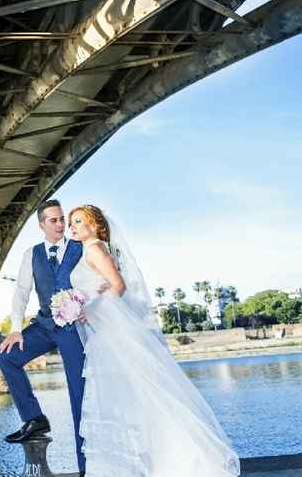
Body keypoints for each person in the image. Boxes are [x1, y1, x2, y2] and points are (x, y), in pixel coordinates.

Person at [67, 204, 240, 477]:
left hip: (112, 335)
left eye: (78, 221)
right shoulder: (95, 248)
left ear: (94, 224)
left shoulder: (94, 249)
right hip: (105, 334)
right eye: (71, 223)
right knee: (128, 395)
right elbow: (107, 287)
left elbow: (118, 286)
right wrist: (84, 308)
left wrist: (88, 307)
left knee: (124, 396)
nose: (72, 227)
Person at [0, 199, 88, 476]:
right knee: (5, 356)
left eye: (62, 219)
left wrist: (88, 308)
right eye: (54, 220)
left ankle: (86, 465)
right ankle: (34, 419)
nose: (60, 225)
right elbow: (21, 292)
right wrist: (15, 328)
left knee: (78, 394)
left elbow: (96, 283)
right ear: (41, 225)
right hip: (45, 326)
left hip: (73, 330)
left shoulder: (80, 249)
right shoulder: (31, 254)